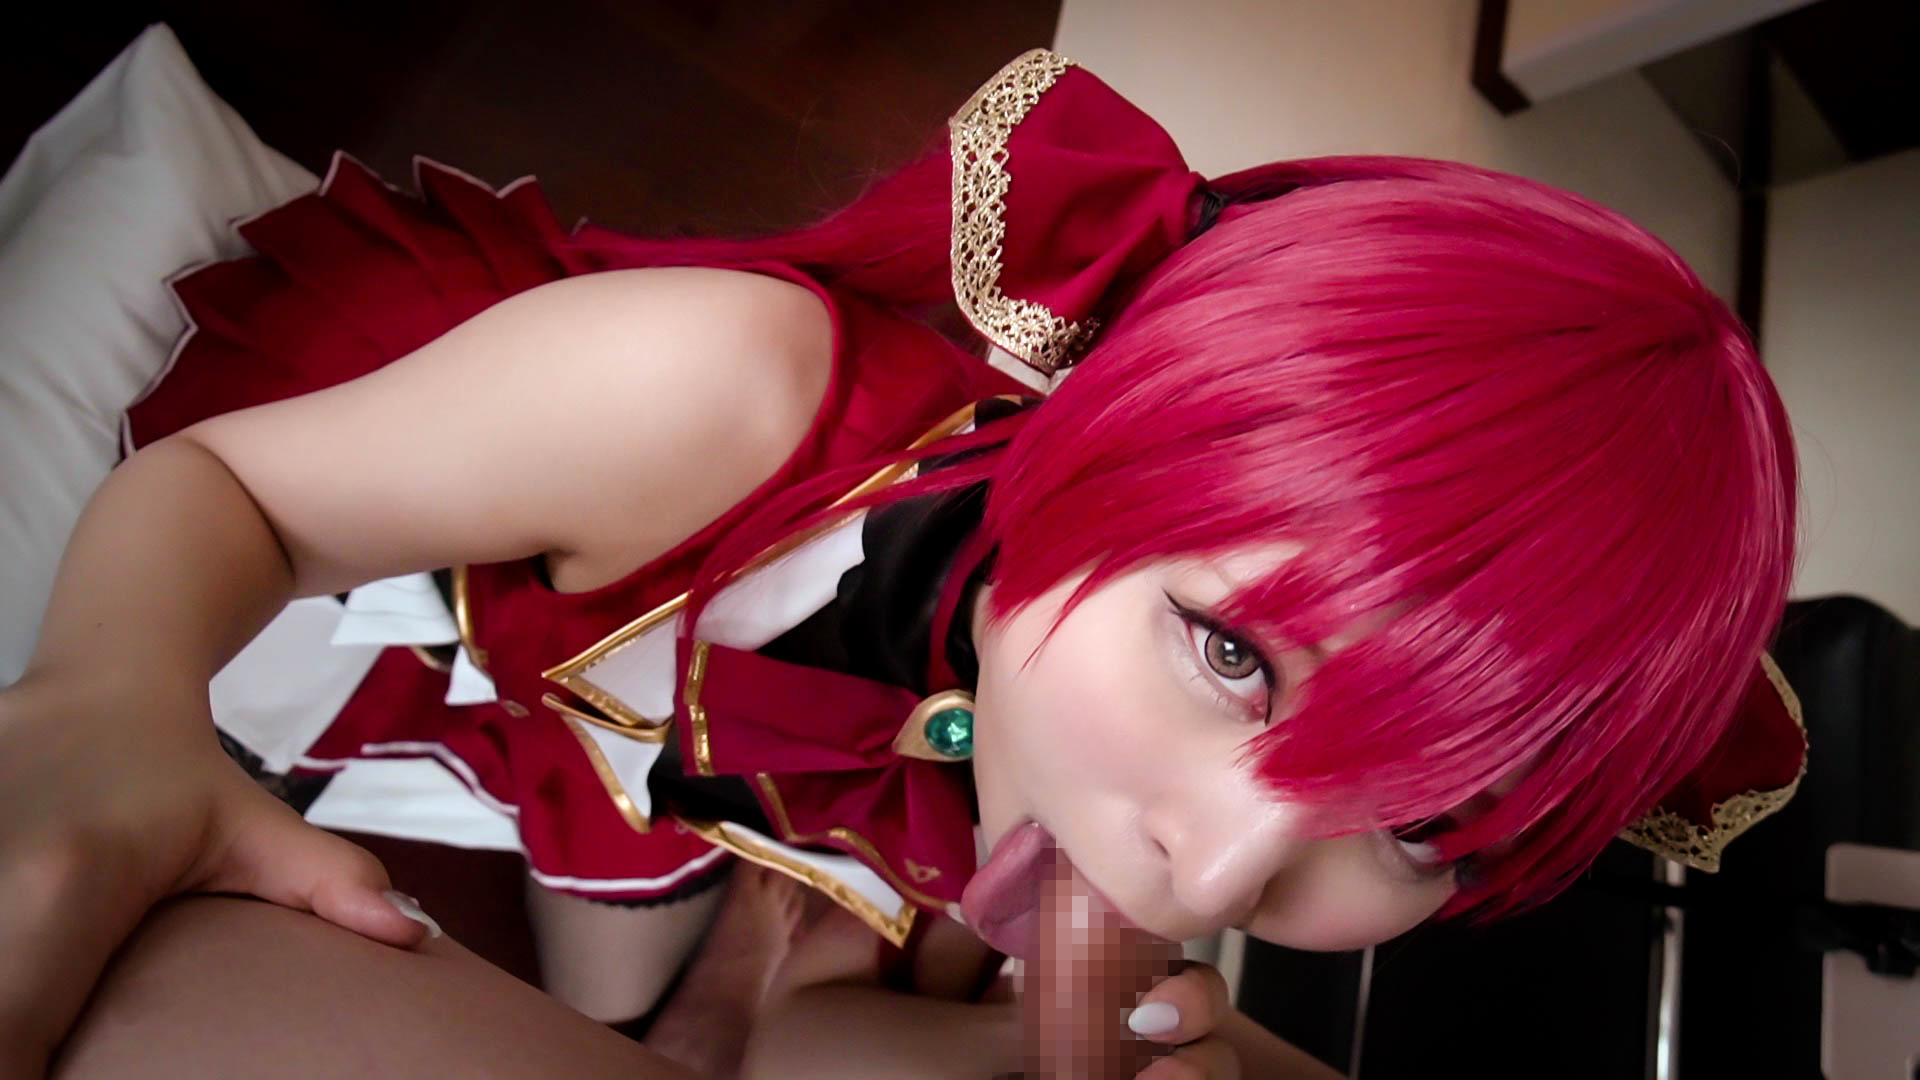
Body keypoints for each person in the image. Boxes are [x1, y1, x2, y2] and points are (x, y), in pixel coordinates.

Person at [2, 48, 1805, 1079]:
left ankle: (740, 914)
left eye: (1422, 828)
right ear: (1120, 428)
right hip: (487, 569)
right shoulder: (712, 390)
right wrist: (114, 696)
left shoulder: (1135, 790)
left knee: (635, 993)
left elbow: (823, 1052)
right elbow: (238, 496)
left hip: (706, 754)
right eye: (1234, 657)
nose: (1219, 873)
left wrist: (1066, 1051)